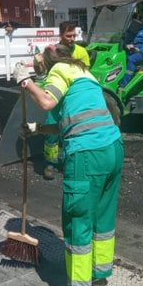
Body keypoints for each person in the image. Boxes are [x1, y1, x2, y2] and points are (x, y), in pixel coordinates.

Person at [14, 44, 124, 286]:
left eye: (38, 64)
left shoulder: (59, 70)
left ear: (49, 63)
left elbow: (47, 101)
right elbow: (72, 120)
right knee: (102, 216)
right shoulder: (84, 73)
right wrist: (38, 129)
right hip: (113, 149)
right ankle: (99, 276)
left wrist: (25, 81)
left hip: (87, 156)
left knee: (78, 224)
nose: (38, 68)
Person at [39, 21, 90, 180]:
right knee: (51, 132)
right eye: (69, 36)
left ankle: (71, 162)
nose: (72, 38)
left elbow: (84, 74)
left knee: (74, 131)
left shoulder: (81, 52)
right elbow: (46, 73)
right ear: (61, 35)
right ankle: (50, 163)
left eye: (74, 35)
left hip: (73, 99)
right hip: (56, 97)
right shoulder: (52, 52)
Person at [119, 13, 143, 89]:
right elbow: (127, 40)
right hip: (133, 51)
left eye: (135, 22)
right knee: (121, 57)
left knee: (132, 59)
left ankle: (124, 85)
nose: (133, 23)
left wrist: (140, 49)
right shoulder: (132, 30)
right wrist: (127, 45)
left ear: (140, 22)